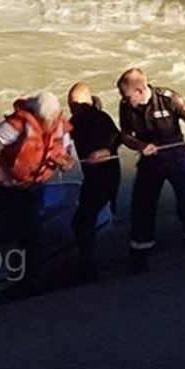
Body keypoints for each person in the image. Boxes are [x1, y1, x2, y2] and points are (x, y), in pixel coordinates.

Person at [116, 68, 185, 274]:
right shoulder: (126, 106)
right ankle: (139, 258)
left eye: (126, 95)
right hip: (150, 160)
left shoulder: (169, 98)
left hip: (176, 157)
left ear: (139, 90)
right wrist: (140, 145)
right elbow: (125, 136)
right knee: (142, 207)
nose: (123, 99)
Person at [0, 92, 74, 291]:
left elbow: (68, 154)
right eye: (45, 120)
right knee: (4, 224)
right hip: (8, 186)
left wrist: (65, 163)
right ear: (37, 116)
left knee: (32, 233)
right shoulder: (18, 125)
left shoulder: (61, 127)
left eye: (52, 119)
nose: (49, 123)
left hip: (35, 188)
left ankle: (29, 282)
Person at [67, 81, 122, 282]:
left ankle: (88, 269)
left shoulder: (100, 118)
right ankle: (87, 262)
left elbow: (116, 139)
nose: (72, 108)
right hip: (92, 178)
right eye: (70, 105)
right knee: (82, 221)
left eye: (74, 104)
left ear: (86, 103)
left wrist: (104, 151)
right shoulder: (76, 120)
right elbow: (64, 137)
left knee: (82, 222)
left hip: (105, 177)